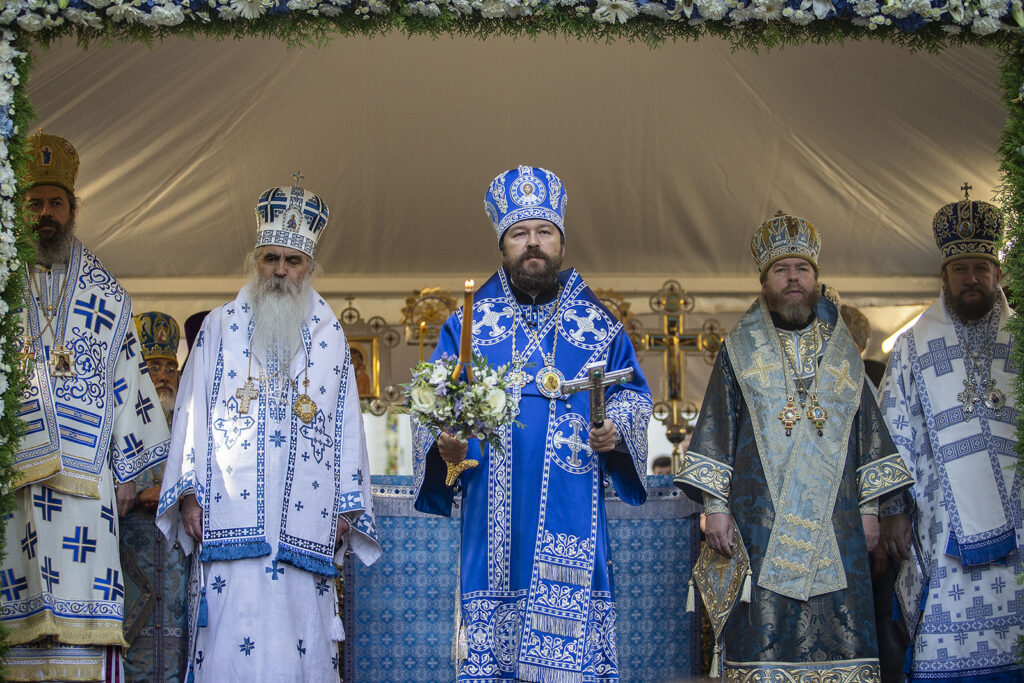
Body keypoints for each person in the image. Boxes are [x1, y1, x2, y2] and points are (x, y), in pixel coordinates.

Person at [413, 165, 652, 682]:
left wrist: (616, 430)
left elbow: (633, 394)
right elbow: (433, 403)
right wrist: (444, 443)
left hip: (573, 504)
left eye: (544, 232)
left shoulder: (600, 326)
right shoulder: (468, 324)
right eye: (520, 233)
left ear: (562, 243)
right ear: (502, 246)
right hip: (492, 513)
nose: (533, 243)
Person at [156, 180, 382, 682]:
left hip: (308, 522)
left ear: (309, 266)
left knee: (299, 639)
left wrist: (347, 506)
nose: (280, 270)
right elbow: (191, 413)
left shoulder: (330, 336)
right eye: (270, 259)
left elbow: (347, 423)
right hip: (228, 517)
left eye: (293, 260)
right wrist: (189, 495)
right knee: (230, 638)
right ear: (255, 261)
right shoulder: (219, 327)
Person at [675, 212, 913, 680]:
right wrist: (716, 508)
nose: (793, 279)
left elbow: (867, 432)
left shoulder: (843, 350)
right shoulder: (738, 348)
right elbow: (718, 427)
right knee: (765, 634)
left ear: (816, 278)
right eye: (781, 270)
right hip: (760, 521)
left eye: (802, 269)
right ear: (764, 282)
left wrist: (869, 509)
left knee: (841, 633)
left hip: (838, 521)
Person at [0, 133, 170, 681]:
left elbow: (128, 382)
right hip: (14, 480)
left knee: (83, 611)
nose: (45, 214)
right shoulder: (2, 284)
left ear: (72, 209)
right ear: (18, 208)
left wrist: (128, 472)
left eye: (56, 203)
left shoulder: (106, 293)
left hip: (86, 483)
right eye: (35, 203)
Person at [878, 190, 1023, 681]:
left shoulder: (1022, 342)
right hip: (940, 523)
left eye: (981, 268)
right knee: (942, 637)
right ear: (944, 277)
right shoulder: (912, 346)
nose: (971, 278)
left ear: (997, 274)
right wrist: (893, 511)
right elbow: (892, 429)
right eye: (960, 269)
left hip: (1019, 520)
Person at [120, 311, 189, 682]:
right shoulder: (119, 426)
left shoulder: (193, 427)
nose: (163, 376)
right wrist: (140, 496)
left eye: (170, 367)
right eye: (153, 367)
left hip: (179, 569)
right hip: (132, 568)